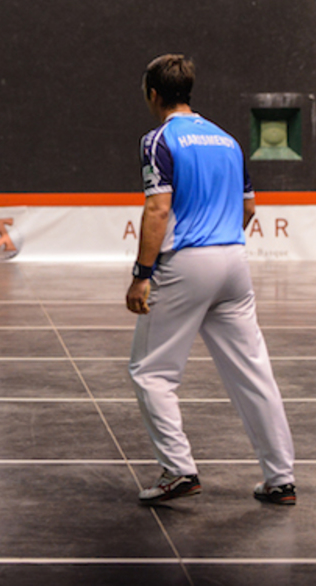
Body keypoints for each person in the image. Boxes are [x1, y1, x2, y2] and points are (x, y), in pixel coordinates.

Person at [126, 55, 296, 506]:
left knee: (151, 372)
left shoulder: (157, 140)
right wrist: (222, 245)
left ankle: (178, 470)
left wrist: (141, 276)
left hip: (187, 263)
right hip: (234, 262)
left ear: (154, 94)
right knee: (253, 372)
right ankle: (280, 477)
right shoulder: (228, 140)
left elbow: (158, 209)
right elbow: (249, 209)